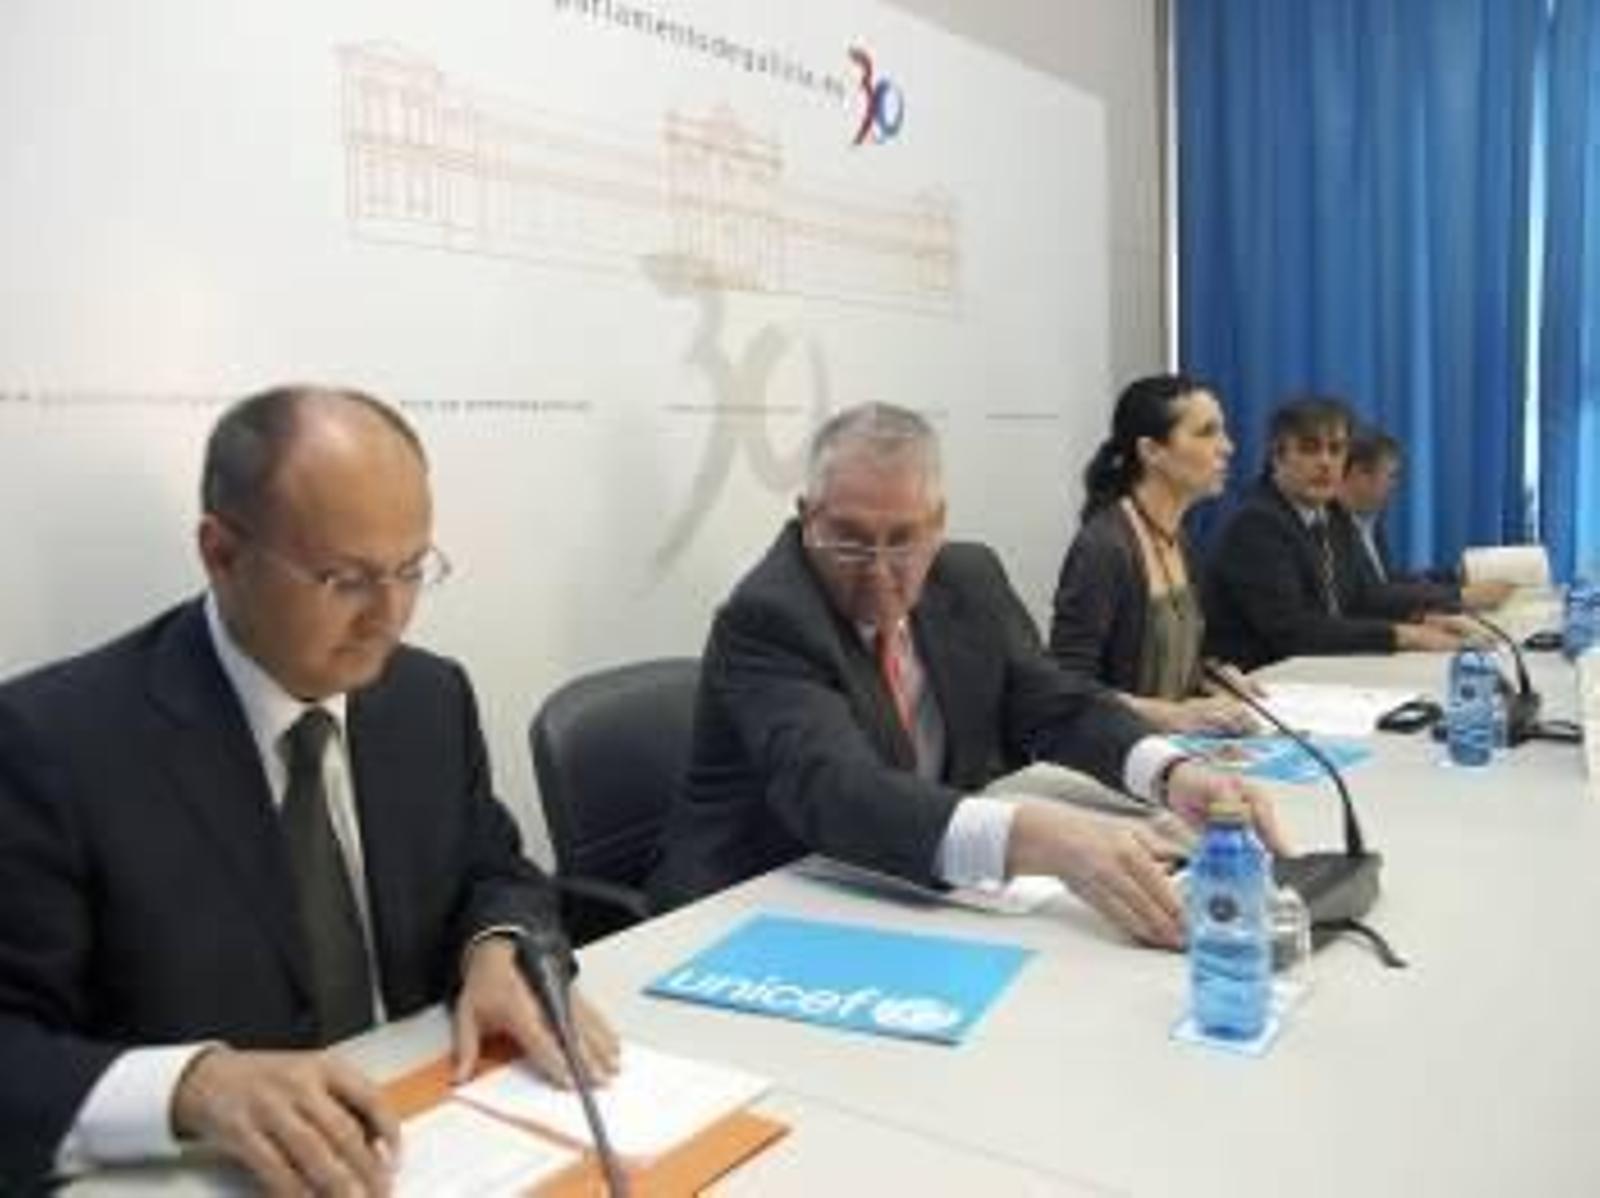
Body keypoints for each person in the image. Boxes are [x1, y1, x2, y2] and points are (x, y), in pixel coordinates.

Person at [0, 386, 618, 1192]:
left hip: (437, 1135)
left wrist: (495, 946)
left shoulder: (427, 698)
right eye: (344, 579)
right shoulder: (54, 743)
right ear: (221, 553)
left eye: (411, 570)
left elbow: (494, 869)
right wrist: (192, 1086)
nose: (389, 618)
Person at [648, 402, 1285, 949]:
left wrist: (1172, 774)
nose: (877, 571)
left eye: (903, 539)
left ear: (938, 523)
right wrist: (1044, 838)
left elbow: (1054, 703)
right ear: (806, 516)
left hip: (893, 887)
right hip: (744, 912)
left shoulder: (968, 578)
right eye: (848, 539)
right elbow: (838, 791)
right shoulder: (770, 615)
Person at [1048, 374, 1256, 734]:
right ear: (1151, 451)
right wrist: (1168, 715)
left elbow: (1169, 662)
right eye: (1207, 432)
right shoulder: (1104, 547)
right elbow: (1067, 687)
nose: (1228, 447)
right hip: (1117, 751)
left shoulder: (1179, 538)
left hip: (1174, 742)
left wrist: (1210, 676)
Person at [1203, 394, 1475, 670]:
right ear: (1277, 457)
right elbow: (1293, 631)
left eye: (1336, 450)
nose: (1325, 462)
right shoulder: (1256, 524)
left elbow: (1364, 597)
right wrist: (1403, 635)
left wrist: (1424, 620)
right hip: (1262, 678)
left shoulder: (1332, 513)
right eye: (1310, 449)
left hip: (1320, 671)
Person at [1338, 426, 1515, 612]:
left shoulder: (1369, 520)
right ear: (1361, 474)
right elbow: (1370, 596)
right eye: (1391, 476)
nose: (1395, 485)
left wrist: (1454, 575)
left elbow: (1387, 581)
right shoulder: (1334, 525)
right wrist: (1460, 595)